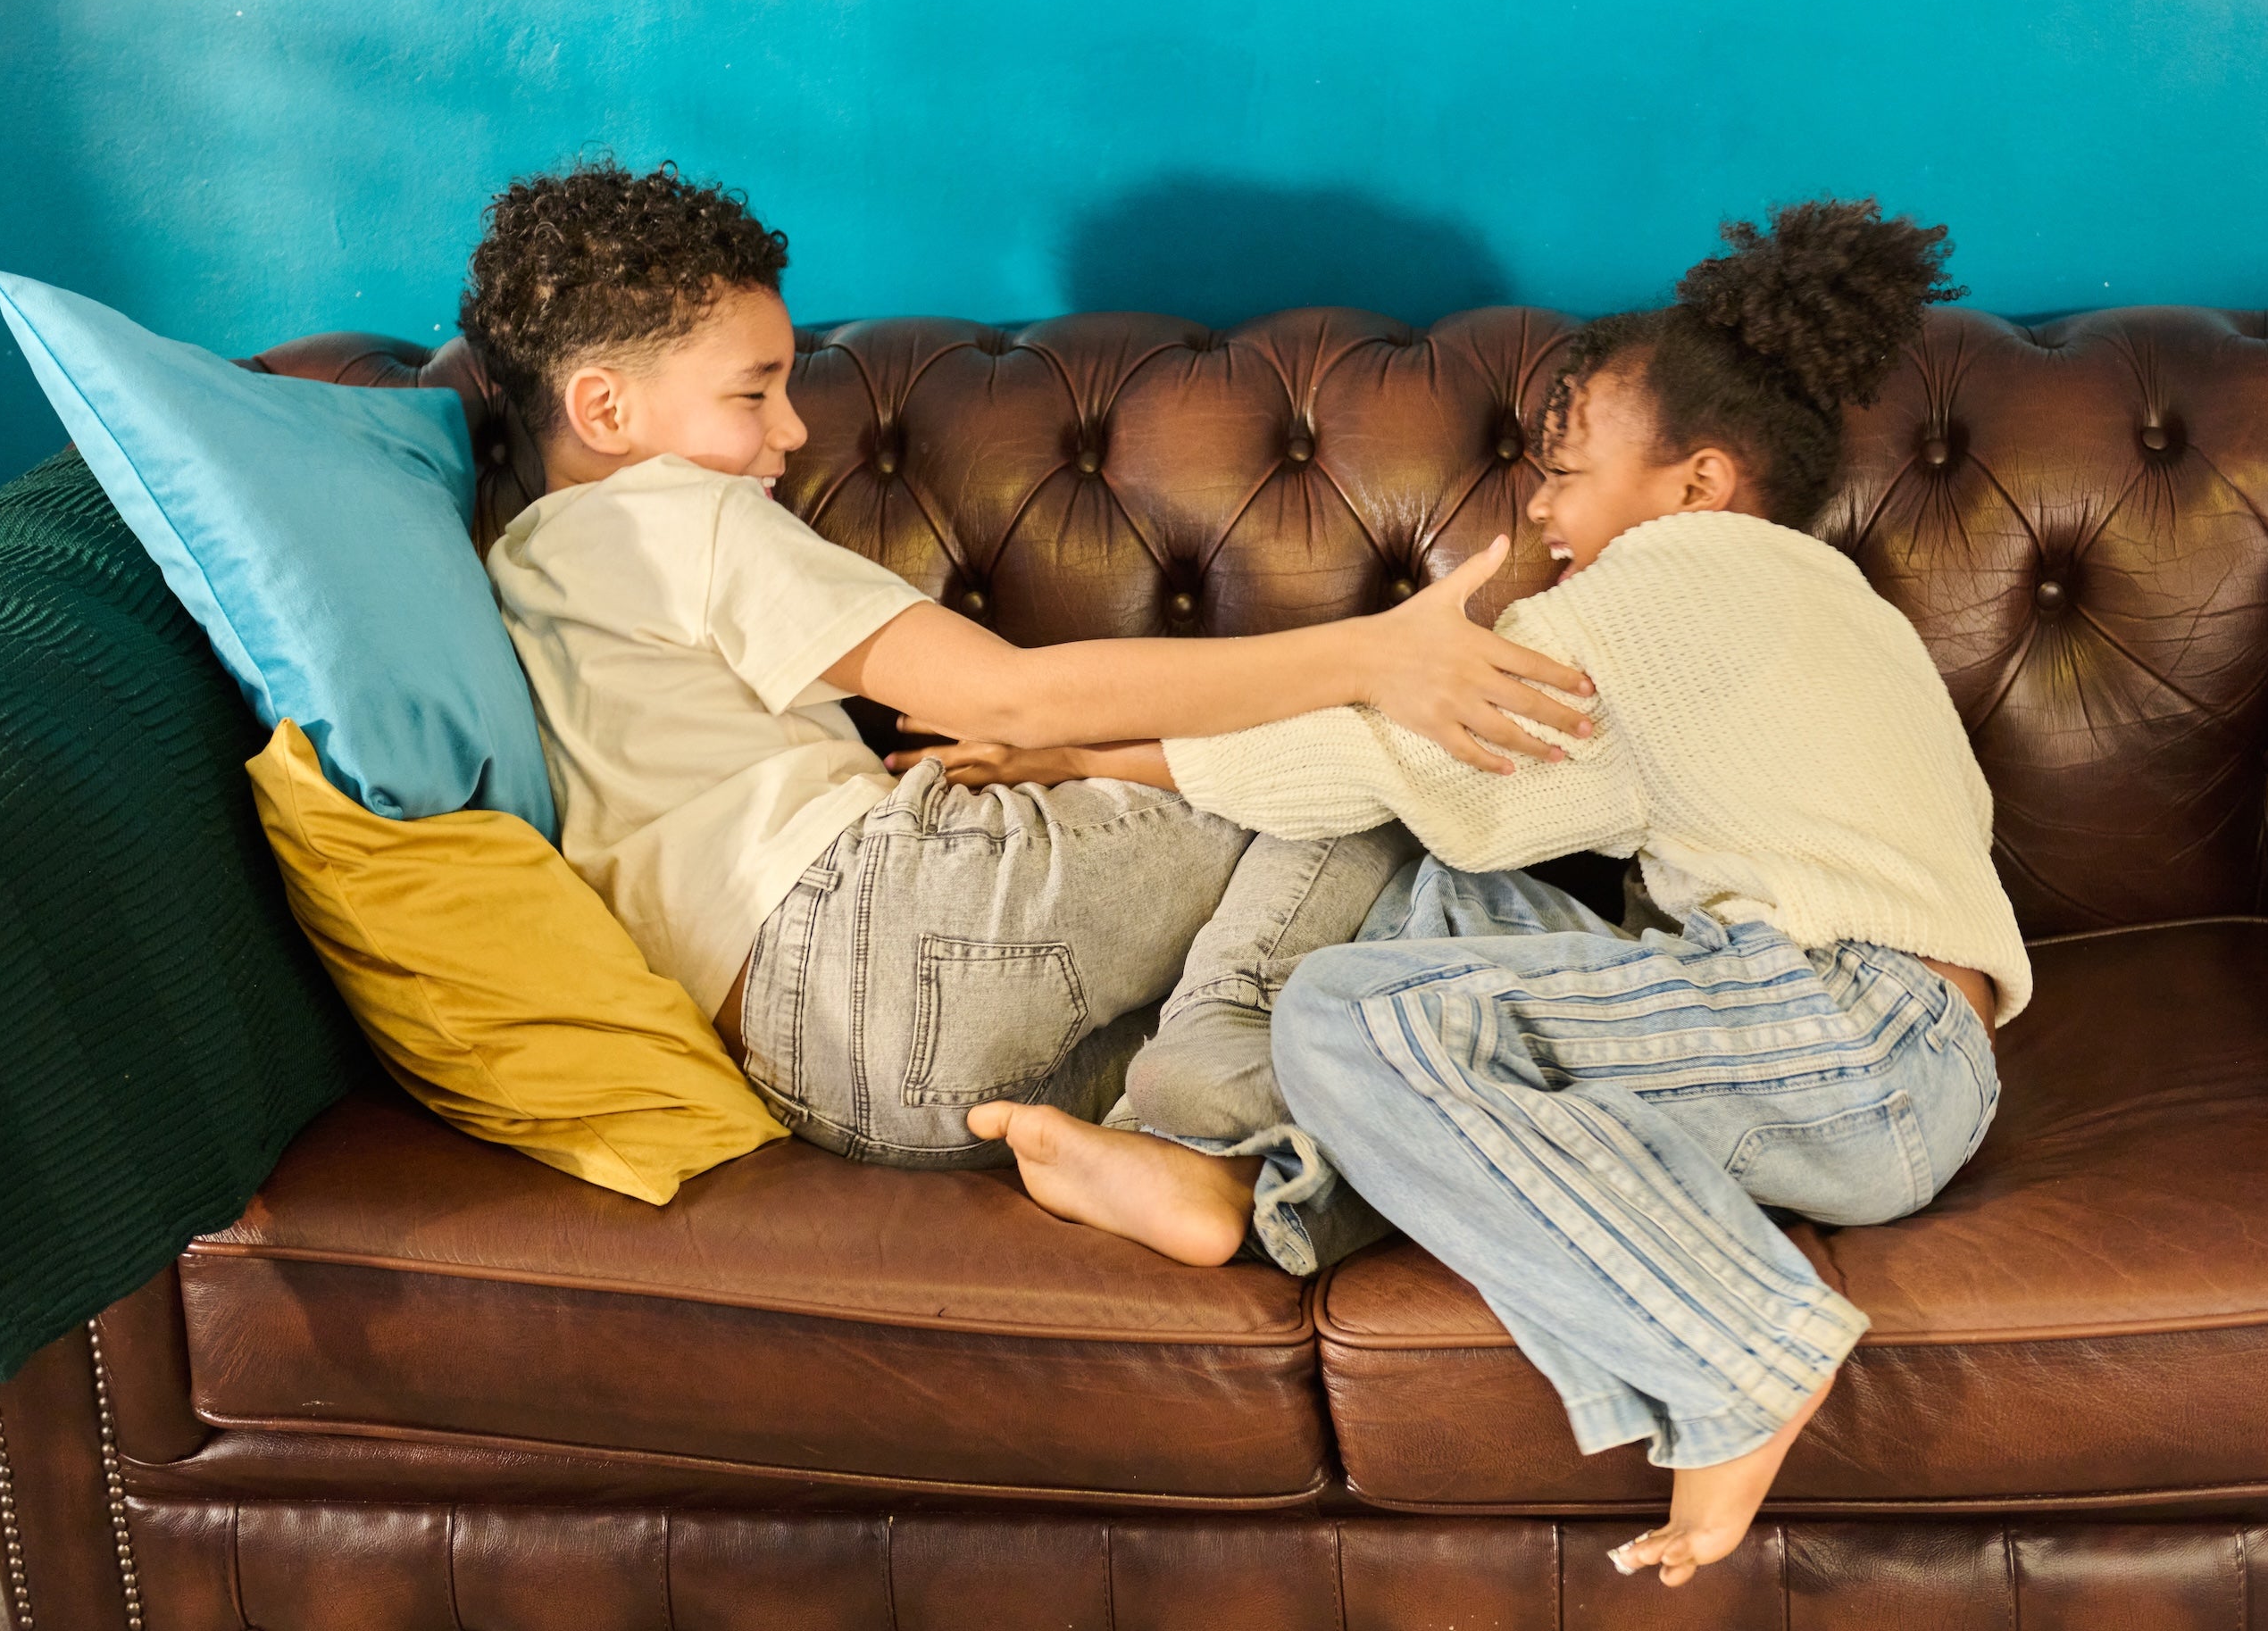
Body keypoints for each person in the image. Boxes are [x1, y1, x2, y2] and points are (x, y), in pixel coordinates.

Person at [913, 199, 2022, 1587]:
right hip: (1858, 1062)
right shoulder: (1836, 607)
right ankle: (1242, 1180)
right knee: (1436, 911)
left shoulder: (1674, 583)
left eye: (1566, 471)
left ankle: (1741, 1351)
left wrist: (1084, 751)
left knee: (1352, 1012)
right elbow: (1434, 800)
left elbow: (1369, 756)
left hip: (1846, 1040)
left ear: (1698, 484)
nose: (1540, 510)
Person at [460, 159, 1591, 1181]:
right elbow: (1008, 691)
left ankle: (1186, 1156)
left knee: (1359, 1029)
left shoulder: (521, 566)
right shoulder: (676, 513)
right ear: (604, 407)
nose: (793, 431)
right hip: (880, 923)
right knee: (1350, 777)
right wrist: (1370, 655)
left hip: (833, 1085)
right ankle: (1250, 1058)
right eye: (753, 393)